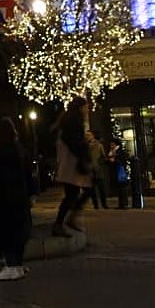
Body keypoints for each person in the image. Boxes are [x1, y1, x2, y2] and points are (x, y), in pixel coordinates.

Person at [0, 116, 32, 281]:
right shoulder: (19, 151)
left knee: (6, 233)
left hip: (3, 200)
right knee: (18, 233)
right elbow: (28, 175)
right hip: (19, 198)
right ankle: (17, 265)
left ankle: (11, 265)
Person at [50, 96, 91, 236]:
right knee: (76, 192)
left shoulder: (68, 119)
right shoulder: (74, 121)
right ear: (80, 107)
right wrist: (83, 157)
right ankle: (62, 222)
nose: (87, 109)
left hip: (70, 161)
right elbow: (75, 141)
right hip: (73, 162)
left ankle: (65, 221)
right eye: (86, 106)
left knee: (73, 193)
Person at [85, 129, 108, 209]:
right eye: (86, 135)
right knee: (92, 190)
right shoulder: (85, 146)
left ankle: (104, 204)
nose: (87, 136)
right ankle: (96, 205)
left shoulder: (99, 145)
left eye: (88, 135)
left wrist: (99, 163)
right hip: (90, 170)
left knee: (101, 188)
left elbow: (103, 156)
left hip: (98, 169)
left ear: (93, 135)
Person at [106, 138, 130, 209]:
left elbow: (122, 160)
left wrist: (114, 160)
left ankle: (123, 204)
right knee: (120, 188)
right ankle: (121, 203)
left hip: (120, 171)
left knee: (122, 188)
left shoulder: (119, 151)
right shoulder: (112, 151)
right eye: (110, 145)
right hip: (115, 172)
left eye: (112, 145)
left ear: (116, 145)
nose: (111, 146)